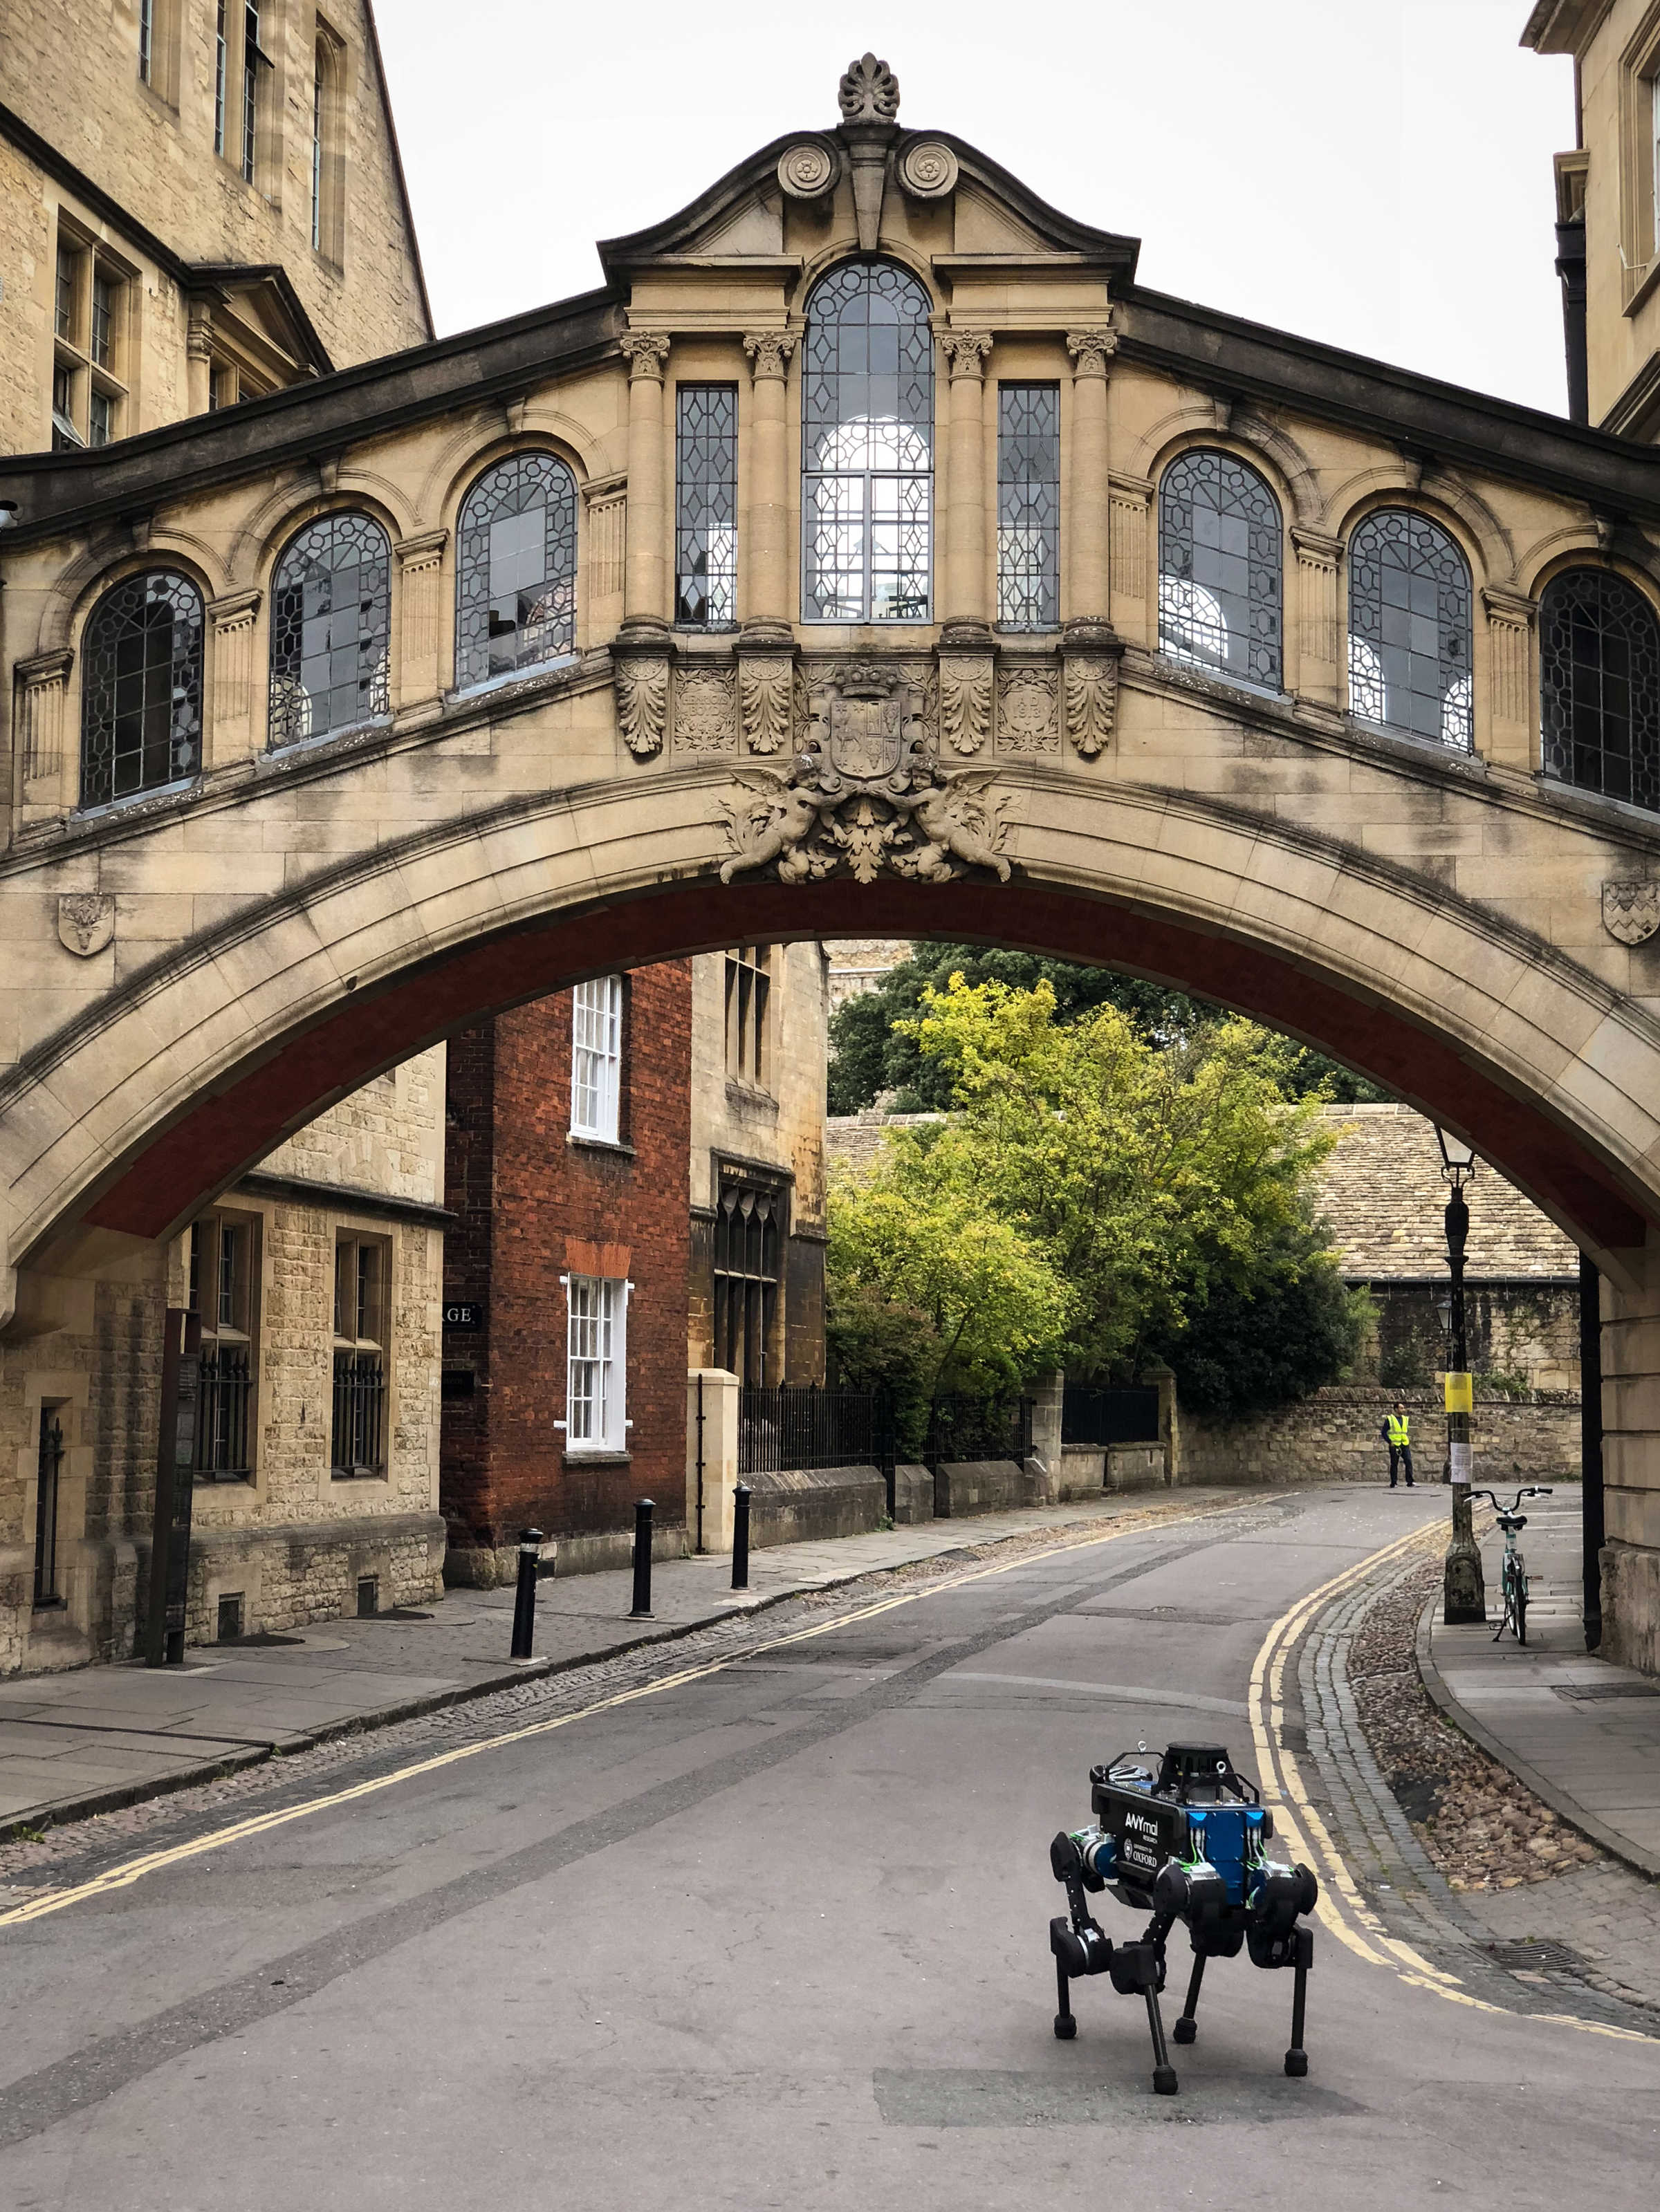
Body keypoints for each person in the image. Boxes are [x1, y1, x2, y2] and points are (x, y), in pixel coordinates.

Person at [1380, 1402, 1414, 1488]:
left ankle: (1410, 1482)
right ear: (1396, 1409)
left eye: (1403, 1408)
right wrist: (1390, 1442)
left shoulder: (1405, 1419)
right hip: (1395, 1444)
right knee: (1394, 1463)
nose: (1403, 1410)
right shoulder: (1390, 1419)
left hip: (1404, 1443)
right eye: (1401, 1408)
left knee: (1409, 1461)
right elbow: (1384, 1432)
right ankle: (1394, 1483)